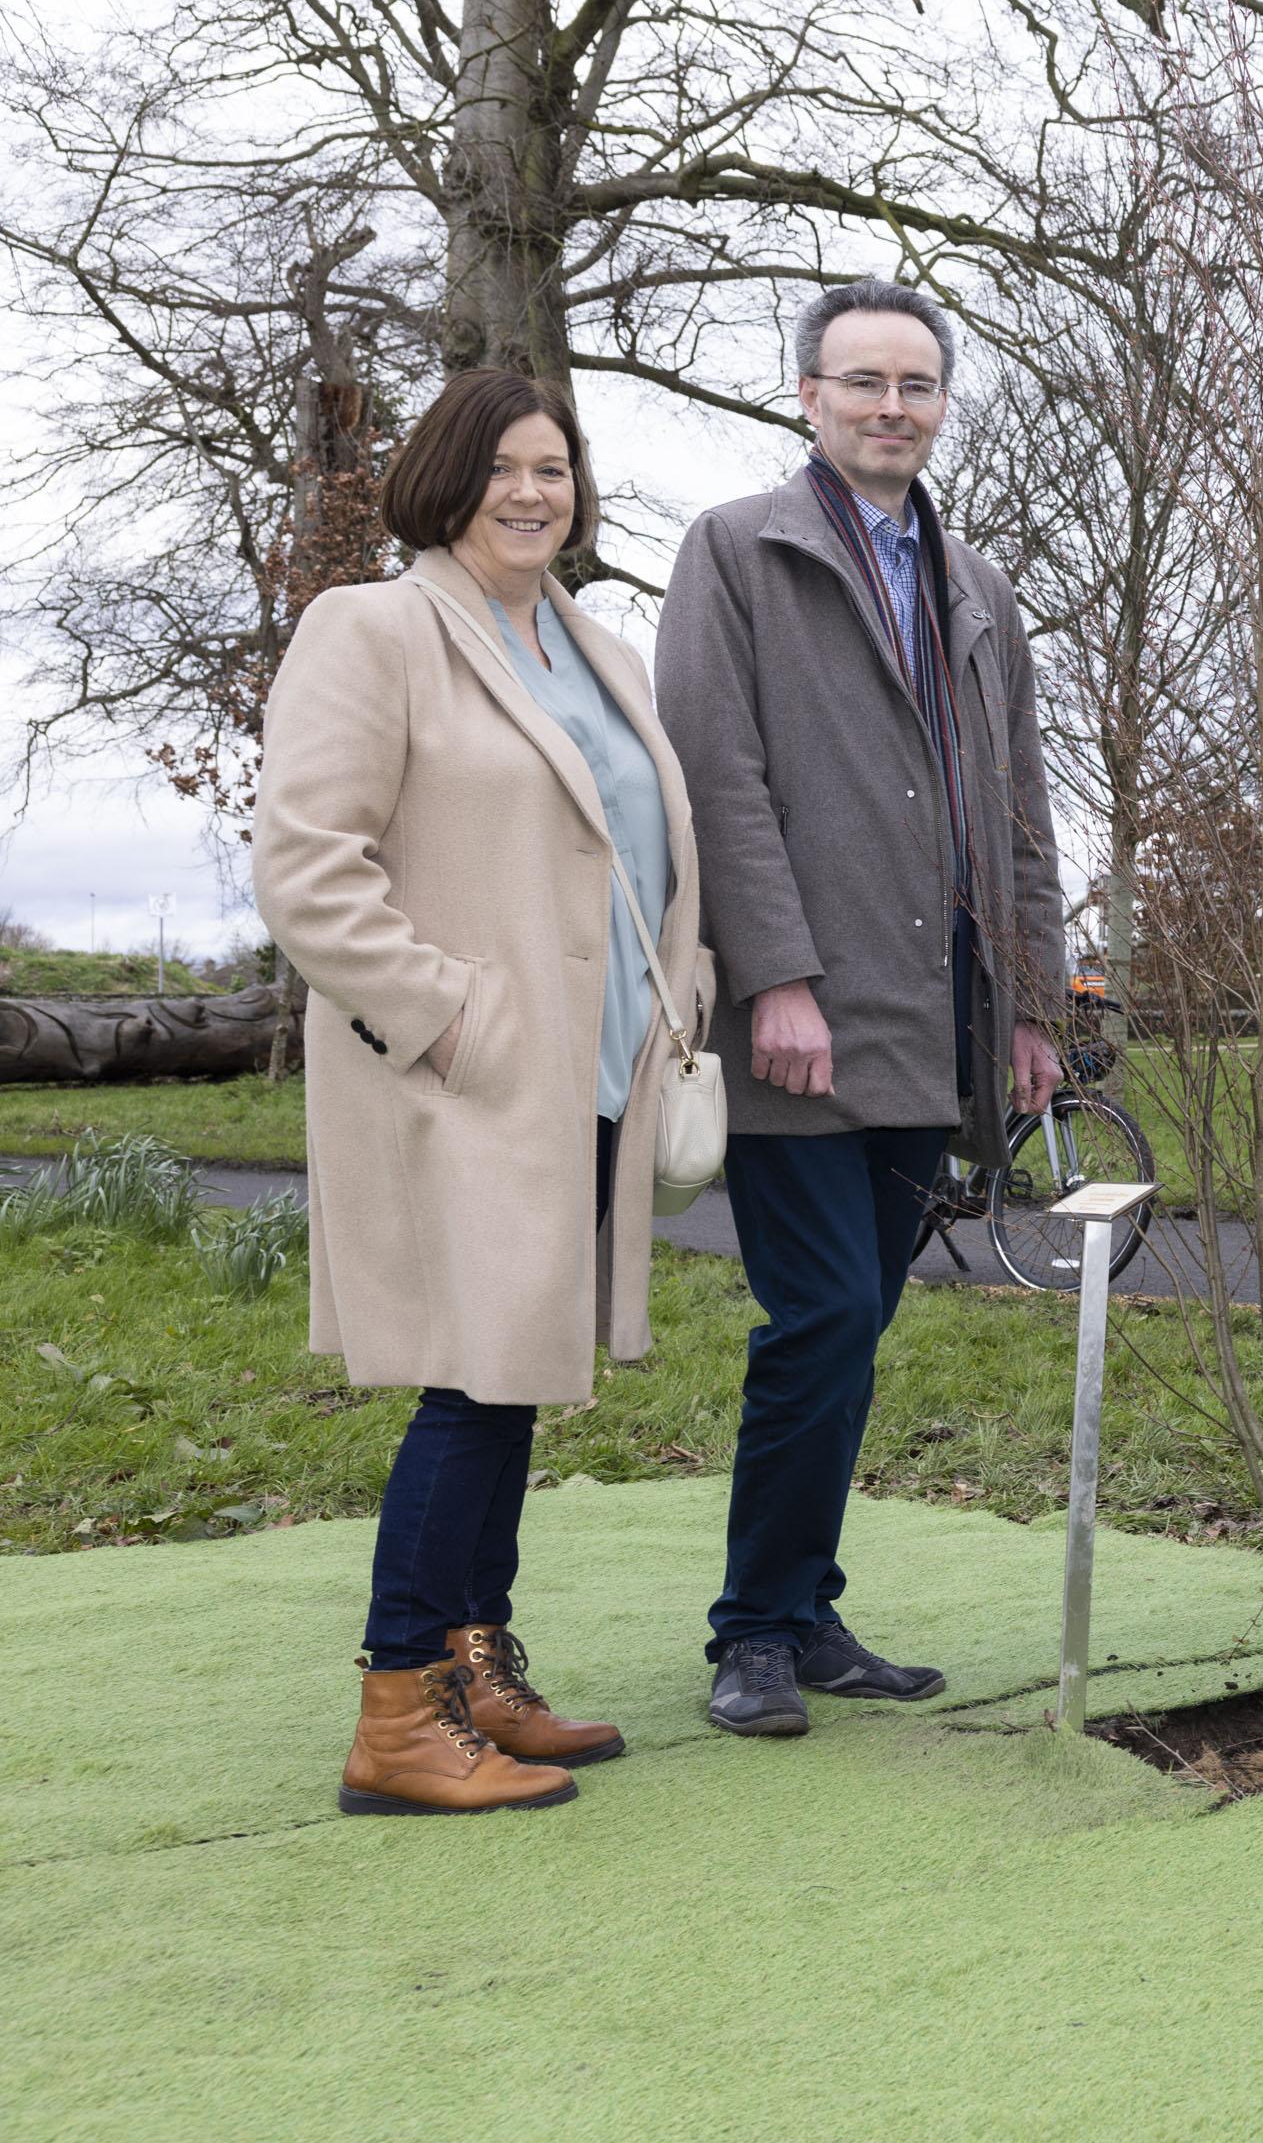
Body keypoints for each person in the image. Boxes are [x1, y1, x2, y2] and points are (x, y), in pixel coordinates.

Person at [254, 367, 707, 1813]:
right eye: (505, 466)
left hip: (592, 1074)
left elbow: (636, 852)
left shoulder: (594, 650)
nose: (533, 491)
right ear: (447, 478)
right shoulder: (374, 627)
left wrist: (676, 997)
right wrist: (445, 1021)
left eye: (556, 469)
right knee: (470, 1382)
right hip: (467, 1079)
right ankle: (398, 1710)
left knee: (511, 1385)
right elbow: (308, 867)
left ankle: (474, 1668)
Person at [656, 279, 1066, 1738]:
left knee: (858, 1320)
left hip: (936, 1019)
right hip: (801, 1020)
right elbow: (718, 778)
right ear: (809, 399)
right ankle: (755, 1630)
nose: (892, 405)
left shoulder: (979, 591)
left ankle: (808, 1609)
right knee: (821, 1310)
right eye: (863, 381)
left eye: (918, 383)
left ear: (943, 403)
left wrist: (1030, 1009)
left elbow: (1019, 815)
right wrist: (775, 975)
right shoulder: (735, 555)